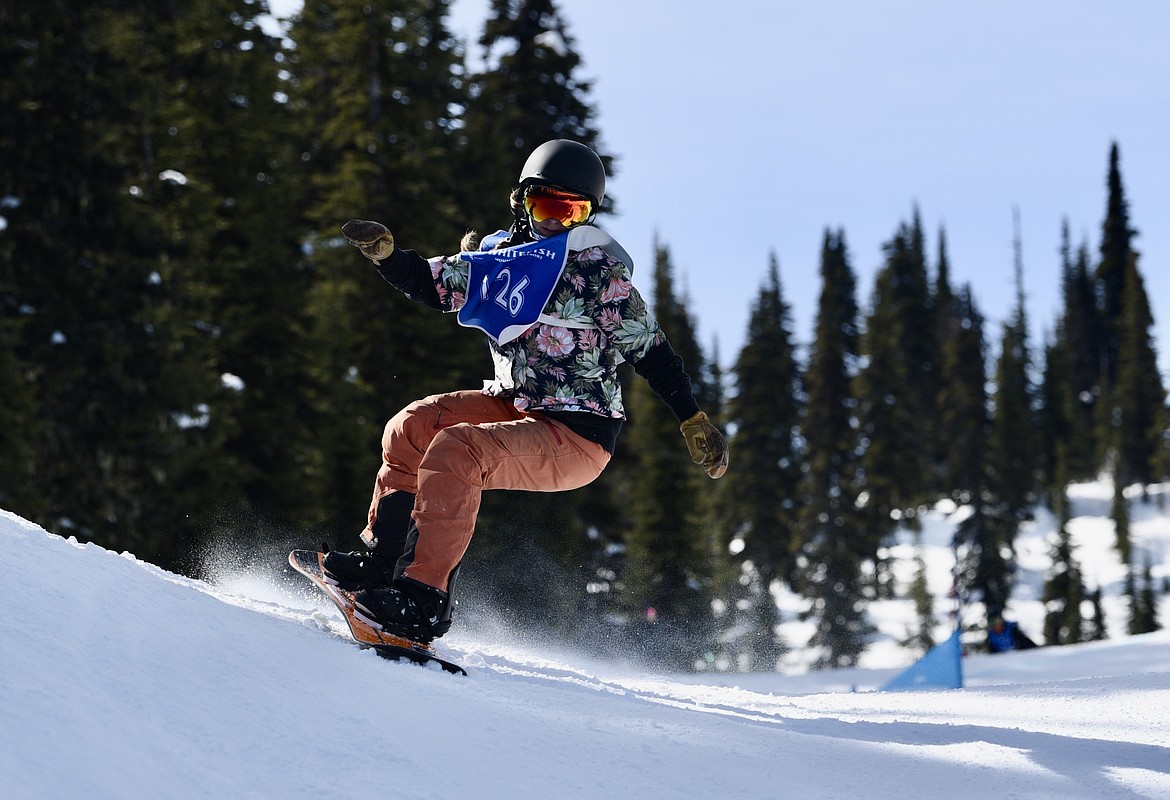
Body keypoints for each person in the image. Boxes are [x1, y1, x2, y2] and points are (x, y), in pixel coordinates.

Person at [322, 139, 728, 644]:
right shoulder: (499, 259)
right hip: (518, 404)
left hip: (579, 433)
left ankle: (423, 600)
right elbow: (434, 284)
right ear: (522, 202)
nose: (558, 222)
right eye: (547, 206)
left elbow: (650, 350)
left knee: (457, 449)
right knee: (414, 426)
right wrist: (387, 256)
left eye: (573, 211)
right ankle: (381, 564)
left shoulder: (595, 272)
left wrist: (691, 417)